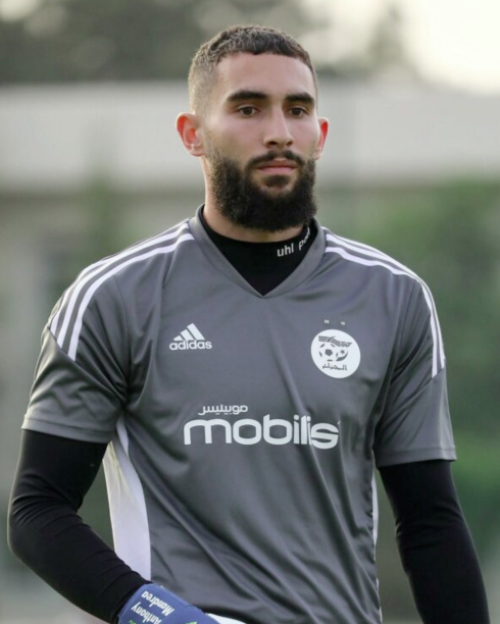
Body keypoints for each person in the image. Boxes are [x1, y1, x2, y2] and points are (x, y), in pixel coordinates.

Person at [8, 25, 490, 624]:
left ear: (320, 135)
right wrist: (164, 617)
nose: (279, 131)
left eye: (298, 110)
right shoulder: (113, 297)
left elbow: (430, 522)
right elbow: (38, 511)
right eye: (248, 108)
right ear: (193, 134)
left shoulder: (394, 297)